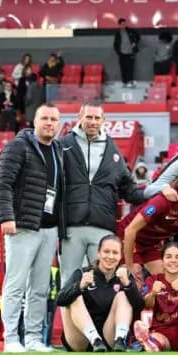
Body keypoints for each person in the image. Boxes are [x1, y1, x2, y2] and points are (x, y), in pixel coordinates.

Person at [0, 104, 64, 352]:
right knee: (15, 284)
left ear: (59, 124)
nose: (49, 123)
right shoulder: (17, 146)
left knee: (40, 287)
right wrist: (6, 217)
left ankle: (34, 339)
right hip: (22, 225)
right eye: (44, 118)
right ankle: (11, 339)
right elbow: (2, 184)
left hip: (49, 229)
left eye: (54, 119)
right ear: (34, 121)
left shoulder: (58, 149)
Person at [58, 101, 146, 278]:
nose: (93, 121)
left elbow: (127, 187)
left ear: (103, 120)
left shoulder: (112, 148)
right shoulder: (63, 144)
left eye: (97, 118)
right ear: (79, 118)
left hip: (103, 226)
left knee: (102, 283)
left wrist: (151, 193)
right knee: (69, 281)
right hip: (71, 227)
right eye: (88, 117)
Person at [55, 235, 143, 352]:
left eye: (115, 253)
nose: (110, 256)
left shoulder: (124, 275)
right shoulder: (83, 273)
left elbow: (139, 306)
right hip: (82, 340)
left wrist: (128, 285)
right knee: (75, 296)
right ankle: (95, 339)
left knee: (123, 295)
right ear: (98, 253)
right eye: (106, 252)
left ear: (120, 256)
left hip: (109, 337)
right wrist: (80, 286)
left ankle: (120, 339)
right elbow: (59, 300)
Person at [121, 166, 178, 279]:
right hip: (129, 237)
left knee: (168, 279)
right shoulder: (163, 201)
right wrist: (129, 266)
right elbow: (130, 230)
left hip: (152, 244)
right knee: (133, 277)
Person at [113, 18, 140, 88]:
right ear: (119, 25)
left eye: (124, 24)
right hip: (122, 54)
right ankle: (124, 82)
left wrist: (135, 43)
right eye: (122, 24)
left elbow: (138, 37)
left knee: (130, 68)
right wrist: (118, 51)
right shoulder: (117, 33)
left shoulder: (130, 31)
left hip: (130, 53)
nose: (123, 25)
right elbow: (115, 44)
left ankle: (130, 82)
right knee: (123, 68)